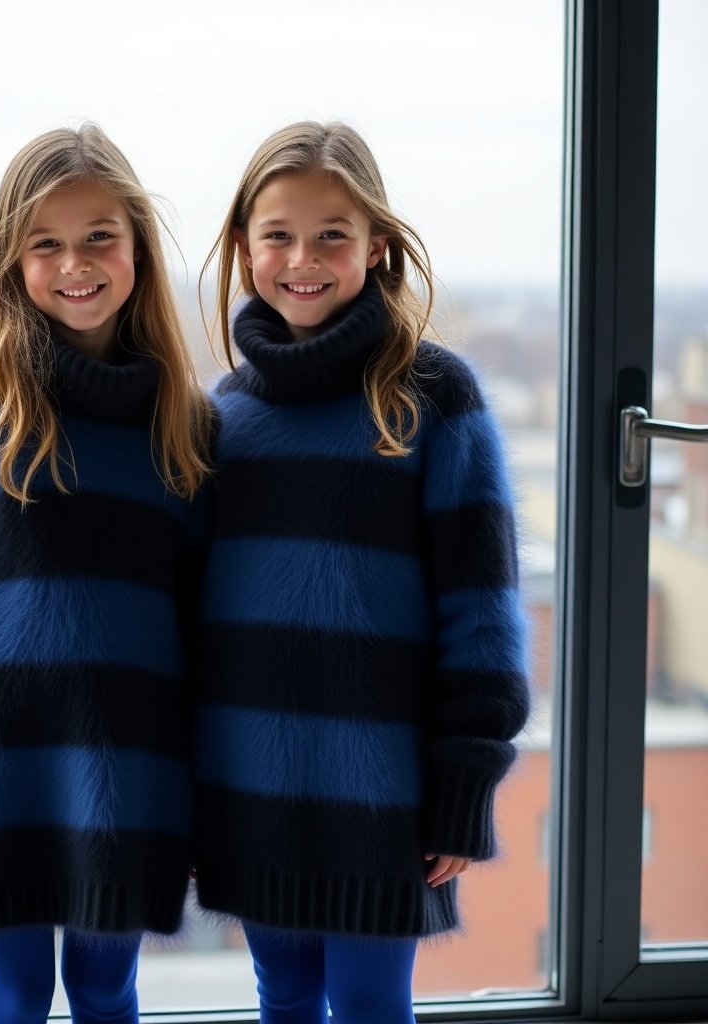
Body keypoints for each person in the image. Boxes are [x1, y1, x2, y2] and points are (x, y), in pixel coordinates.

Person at [0, 123, 213, 1024]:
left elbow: (200, 618)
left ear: (137, 243)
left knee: (107, 989)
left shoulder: (182, 423)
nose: (77, 263)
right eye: (46, 244)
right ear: (8, 261)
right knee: (13, 995)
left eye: (101, 235)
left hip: (133, 761)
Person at [193, 121, 531, 1023]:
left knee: (374, 1004)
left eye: (332, 234)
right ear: (244, 245)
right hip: (251, 781)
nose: (303, 258)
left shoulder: (433, 395)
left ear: (377, 243)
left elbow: (483, 611)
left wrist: (464, 781)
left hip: (383, 789)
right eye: (278, 235)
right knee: (286, 996)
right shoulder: (223, 414)